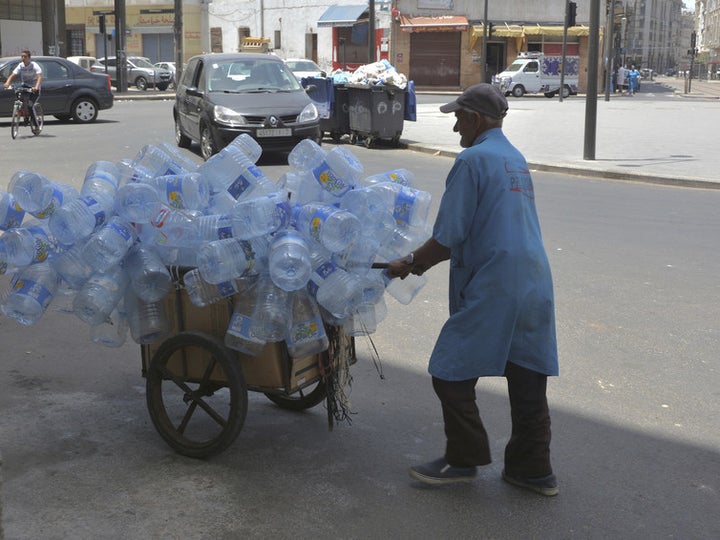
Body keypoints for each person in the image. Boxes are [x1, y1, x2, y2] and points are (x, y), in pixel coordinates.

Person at [387, 83, 559, 496]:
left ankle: (463, 459)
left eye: (458, 118)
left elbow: (449, 237)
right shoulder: (513, 158)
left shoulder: (472, 160)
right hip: (534, 279)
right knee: (527, 373)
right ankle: (533, 470)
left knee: (449, 368)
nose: (454, 128)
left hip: (496, 280)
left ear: (477, 118)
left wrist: (408, 263)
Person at [3, 50, 42, 125]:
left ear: (29, 57)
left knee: (30, 106)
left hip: (34, 87)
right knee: (19, 98)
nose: (23, 58)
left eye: (25, 56)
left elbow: (39, 77)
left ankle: (36, 125)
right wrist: (7, 82)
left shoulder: (34, 65)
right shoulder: (20, 65)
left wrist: (36, 87)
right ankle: (25, 115)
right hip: (25, 85)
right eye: (22, 56)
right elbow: (13, 75)